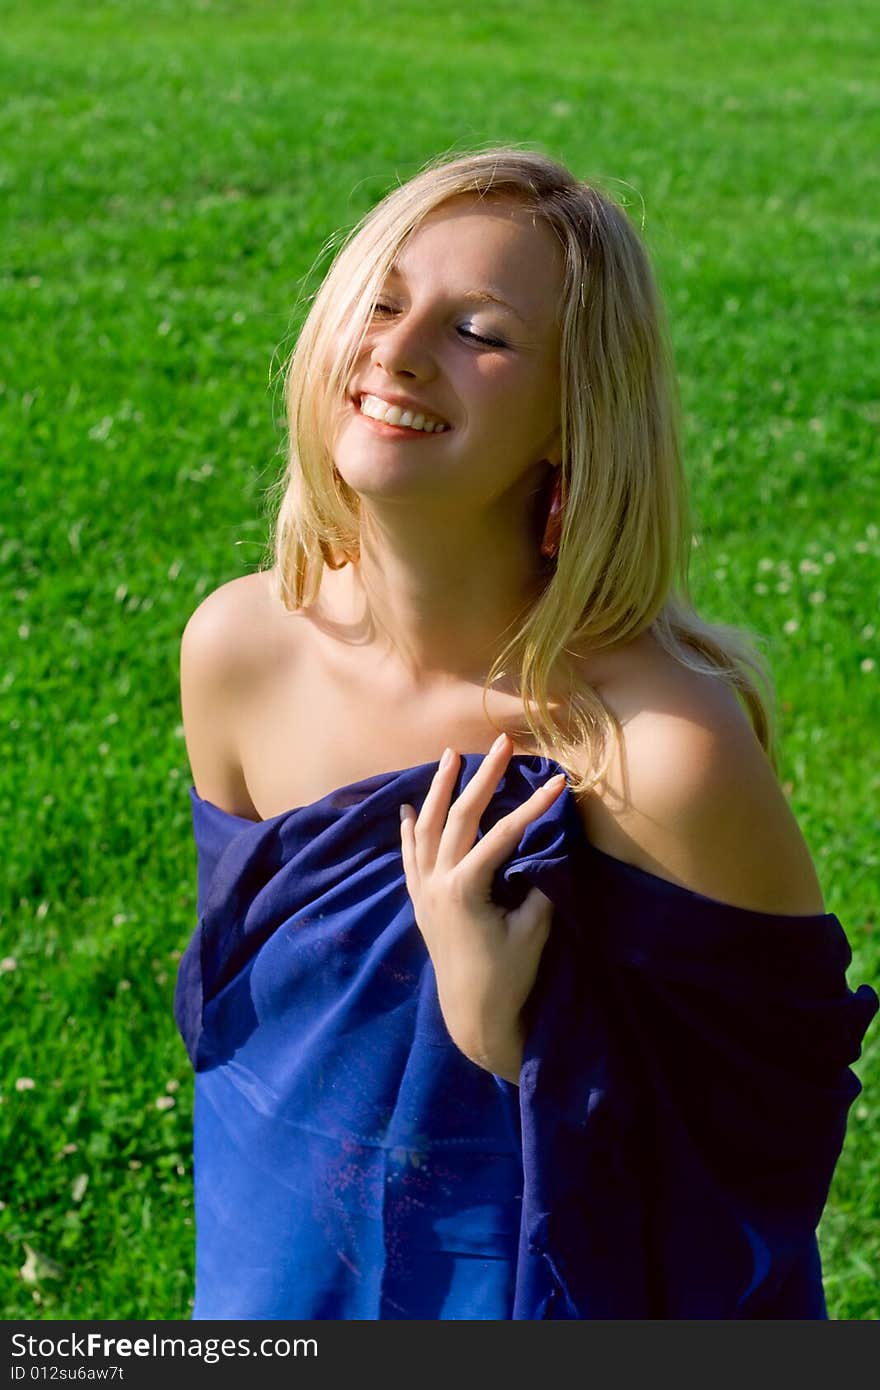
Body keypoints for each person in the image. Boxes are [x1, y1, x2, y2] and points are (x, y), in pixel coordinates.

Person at [174, 146, 877, 1319]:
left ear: (572, 414)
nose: (397, 353)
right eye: (384, 302)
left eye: (479, 333)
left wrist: (506, 1026)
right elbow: (259, 1038)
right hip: (275, 1263)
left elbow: (762, 1143)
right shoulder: (240, 653)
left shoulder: (655, 752)